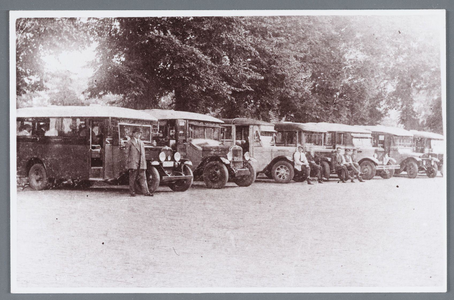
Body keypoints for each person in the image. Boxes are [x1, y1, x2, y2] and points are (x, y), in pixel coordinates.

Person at [126, 128, 153, 197]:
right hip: (133, 163)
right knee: (132, 178)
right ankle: (132, 192)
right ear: (133, 134)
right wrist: (128, 164)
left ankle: (146, 192)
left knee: (143, 178)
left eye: (140, 134)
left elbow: (143, 154)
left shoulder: (141, 143)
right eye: (137, 133)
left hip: (141, 163)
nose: (139, 135)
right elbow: (126, 154)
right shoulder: (129, 142)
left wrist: (143, 163)